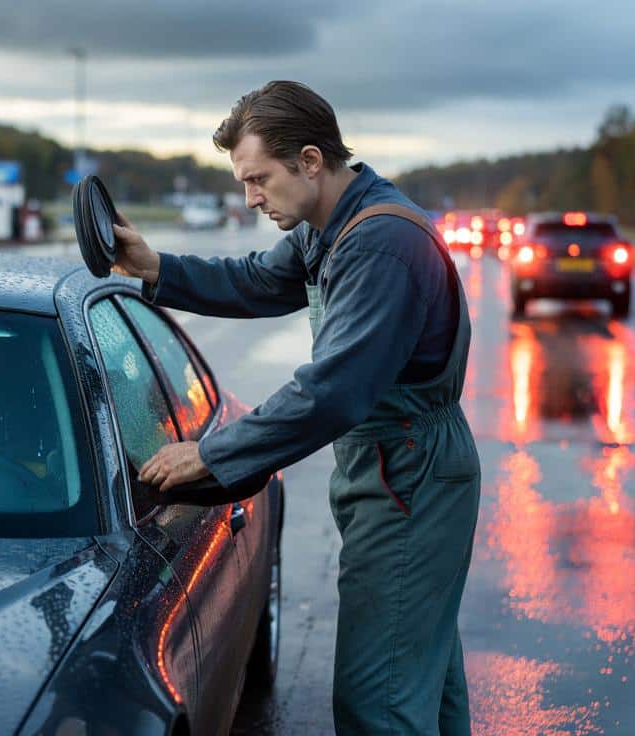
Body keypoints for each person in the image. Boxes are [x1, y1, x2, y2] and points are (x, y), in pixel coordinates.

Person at [112, 80, 480, 735]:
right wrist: (155, 266)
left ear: (310, 160)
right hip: (398, 467)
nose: (251, 198)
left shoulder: (378, 244)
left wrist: (213, 453)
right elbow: (257, 279)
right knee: (424, 677)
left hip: (410, 475)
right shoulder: (332, 225)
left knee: (381, 700)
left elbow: (332, 391)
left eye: (258, 179)